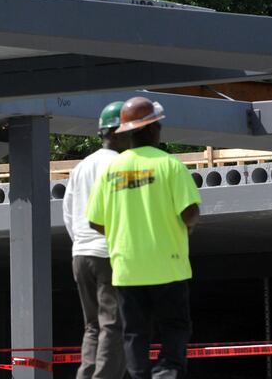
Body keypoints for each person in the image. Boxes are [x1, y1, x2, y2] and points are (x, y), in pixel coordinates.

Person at [86, 97, 201, 379]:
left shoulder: (111, 170)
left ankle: (140, 376)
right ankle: (168, 370)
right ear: (150, 130)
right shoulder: (170, 165)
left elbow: (94, 220)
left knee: (134, 332)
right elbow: (189, 212)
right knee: (174, 324)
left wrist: (122, 233)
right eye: (158, 125)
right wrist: (184, 228)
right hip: (168, 264)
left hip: (128, 267)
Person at [63, 101, 129, 379]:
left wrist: (80, 242)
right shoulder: (122, 165)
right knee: (113, 324)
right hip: (108, 253)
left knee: (93, 326)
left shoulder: (82, 167)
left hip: (82, 253)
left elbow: (67, 211)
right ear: (118, 132)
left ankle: (87, 374)